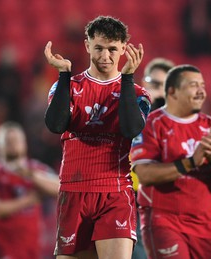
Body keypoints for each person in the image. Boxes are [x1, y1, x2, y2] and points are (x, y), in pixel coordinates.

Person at [43, 15, 151, 259]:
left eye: (113, 49)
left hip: (115, 191)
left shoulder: (138, 93)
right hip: (73, 190)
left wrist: (127, 78)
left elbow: (131, 128)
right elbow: (55, 125)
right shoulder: (69, 87)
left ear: (124, 48)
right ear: (87, 45)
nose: (105, 56)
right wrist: (63, 75)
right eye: (99, 48)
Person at [130, 64, 211, 259]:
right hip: (163, 220)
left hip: (203, 225)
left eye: (202, 85)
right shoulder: (151, 125)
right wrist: (189, 163)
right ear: (172, 91)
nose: (201, 91)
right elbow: (145, 174)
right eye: (193, 85)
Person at [0, 121, 59, 259]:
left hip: (33, 246)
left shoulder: (35, 170)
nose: (12, 144)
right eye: (8, 141)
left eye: (16, 140)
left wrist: (30, 175)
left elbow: (61, 187)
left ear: (25, 143)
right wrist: (29, 200)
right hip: (2, 246)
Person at [131, 57, 175, 259]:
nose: (158, 91)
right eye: (154, 83)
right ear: (144, 82)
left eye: (165, 86)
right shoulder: (128, 114)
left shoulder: (178, 125)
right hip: (129, 202)